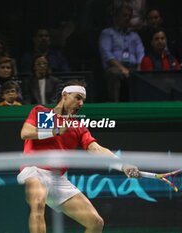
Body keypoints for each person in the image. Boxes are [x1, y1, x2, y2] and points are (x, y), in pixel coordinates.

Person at [18, 80, 140, 233]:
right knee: (38, 203)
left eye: (83, 100)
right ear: (65, 95)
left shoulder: (78, 127)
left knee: (95, 222)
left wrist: (123, 166)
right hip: (34, 169)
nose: (81, 103)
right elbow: (25, 133)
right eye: (77, 97)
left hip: (57, 178)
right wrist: (56, 130)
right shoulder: (43, 113)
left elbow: (96, 149)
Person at [99, 4, 144, 102]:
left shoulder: (134, 36)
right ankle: (115, 106)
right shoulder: (107, 33)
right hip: (115, 67)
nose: (127, 18)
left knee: (144, 74)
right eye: (124, 15)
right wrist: (122, 69)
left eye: (129, 16)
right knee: (113, 73)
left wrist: (140, 67)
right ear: (116, 17)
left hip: (133, 68)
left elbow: (141, 53)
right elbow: (107, 55)